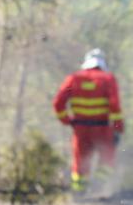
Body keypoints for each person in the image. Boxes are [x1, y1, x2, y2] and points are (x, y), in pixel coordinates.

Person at [53, 48, 123, 192]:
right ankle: (99, 191)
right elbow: (114, 106)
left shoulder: (74, 79)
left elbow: (58, 103)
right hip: (102, 128)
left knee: (80, 162)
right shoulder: (108, 79)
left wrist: (67, 120)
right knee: (106, 159)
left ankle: (79, 195)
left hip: (80, 129)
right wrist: (118, 127)